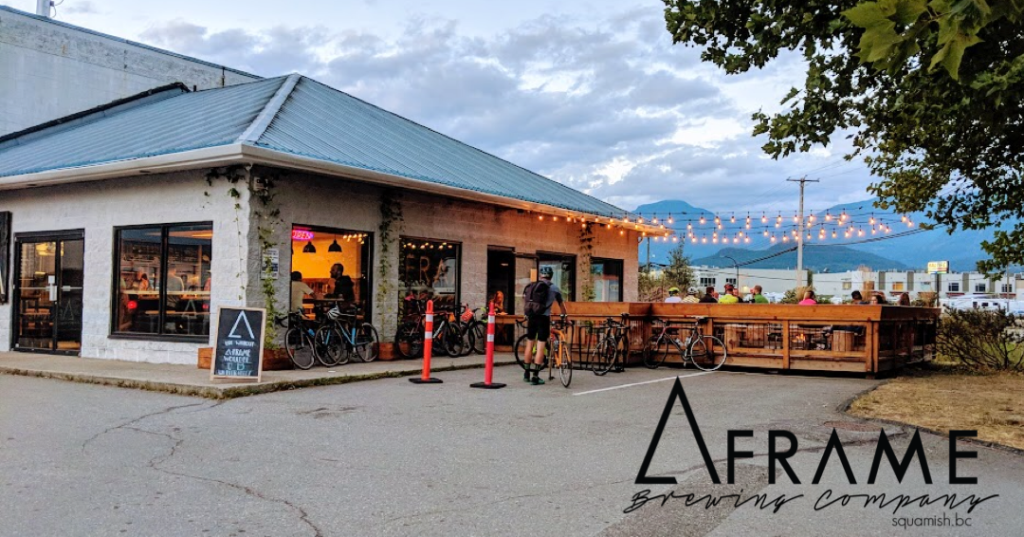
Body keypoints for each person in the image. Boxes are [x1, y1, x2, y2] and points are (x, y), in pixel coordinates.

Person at [521, 266, 567, 385]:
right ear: (551, 276)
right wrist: (565, 317)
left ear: (541, 275)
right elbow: (562, 305)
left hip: (531, 317)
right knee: (541, 346)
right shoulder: (554, 288)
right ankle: (535, 376)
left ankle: (526, 374)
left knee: (529, 344)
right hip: (543, 318)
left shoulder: (532, 286)